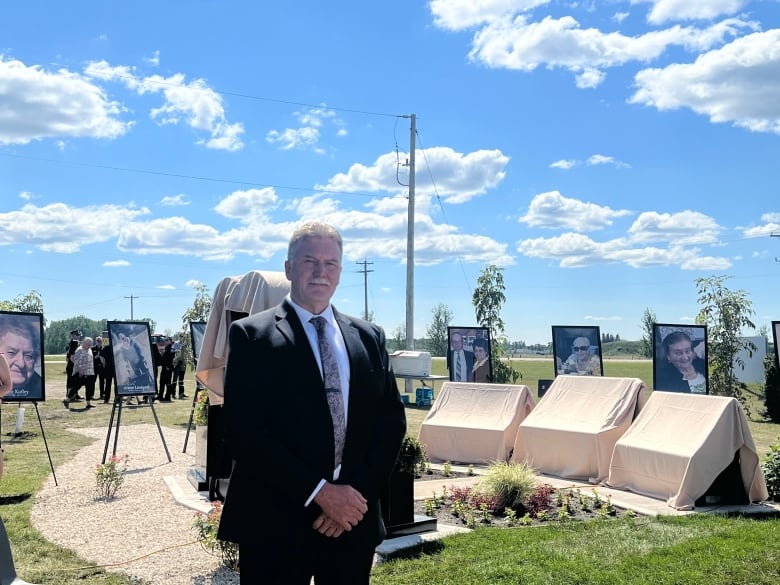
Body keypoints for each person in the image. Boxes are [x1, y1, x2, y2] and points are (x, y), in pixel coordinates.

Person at [217, 221, 407, 584]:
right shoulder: (252, 336)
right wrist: (321, 493)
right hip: (276, 520)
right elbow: (244, 433)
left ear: (339, 271)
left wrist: (352, 499)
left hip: (352, 520)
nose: (321, 272)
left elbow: (390, 423)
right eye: (310, 261)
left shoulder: (368, 338)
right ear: (289, 268)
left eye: (330, 263)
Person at [0, 315, 43, 398]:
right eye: (12, 352)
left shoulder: (38, 388)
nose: (21, 364)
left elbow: (7, 386)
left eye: (28, 356)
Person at [65, 337, 96, 409]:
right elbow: (77, 361)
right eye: (88, 344)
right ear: (84, 343)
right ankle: (67, 400)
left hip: (89, 372)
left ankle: (88, 403)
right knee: (76, 387)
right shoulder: (79, 350)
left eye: (90, 344)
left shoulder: (89, 350)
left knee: (89, 388)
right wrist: (80, 370)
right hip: (81, 373)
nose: (90, 346)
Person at [97, 336, 115, 403]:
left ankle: (106, 399)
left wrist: (104, 363)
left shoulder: (106, 348)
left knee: (108, 384)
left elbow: (101, 356)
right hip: (114, 368)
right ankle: (117, 399)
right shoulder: (116, 348)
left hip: (108, 367)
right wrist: (104, 363)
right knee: (113, 384)